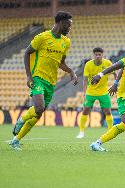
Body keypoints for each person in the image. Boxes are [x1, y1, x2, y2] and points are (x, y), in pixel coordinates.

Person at [10, 11, 78, 150]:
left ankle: (16, 140)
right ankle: (22, 119)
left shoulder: (66, 42)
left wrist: (71, 71)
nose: (69, 29)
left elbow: (61, 63)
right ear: (60, 23)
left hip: (51, 82)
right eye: (68, 25)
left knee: (38, 113)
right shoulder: (42, 37)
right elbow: (27, 52)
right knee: (39, 107)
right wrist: (29, 76)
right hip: (38, 77)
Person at [76, 47, 116, 138]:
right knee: (85, 111)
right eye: (96, 54)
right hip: (91, 92)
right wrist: (84, 92)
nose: (98, 56)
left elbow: (115, 73)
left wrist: (116, 84)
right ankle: (81, 132)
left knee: (108, 112)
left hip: (103, 92)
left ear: (102, 55)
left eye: (99, 54)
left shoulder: (107, 63)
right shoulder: (88, 65)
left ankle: (110, 132)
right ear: (93, 55)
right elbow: (85, 80)